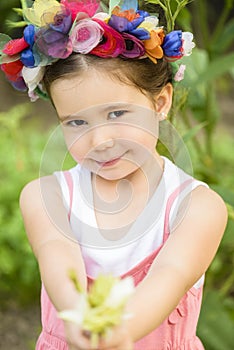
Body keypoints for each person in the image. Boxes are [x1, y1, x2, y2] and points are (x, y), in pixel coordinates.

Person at [0, 0, 227, 349]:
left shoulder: (196, 207)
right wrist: (78, 314)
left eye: (118, 113)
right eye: (76, 122)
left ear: (161, 103)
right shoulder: (48, 196)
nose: (100, 140)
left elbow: (170, 276)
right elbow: (58, 257)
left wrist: (117, 330)